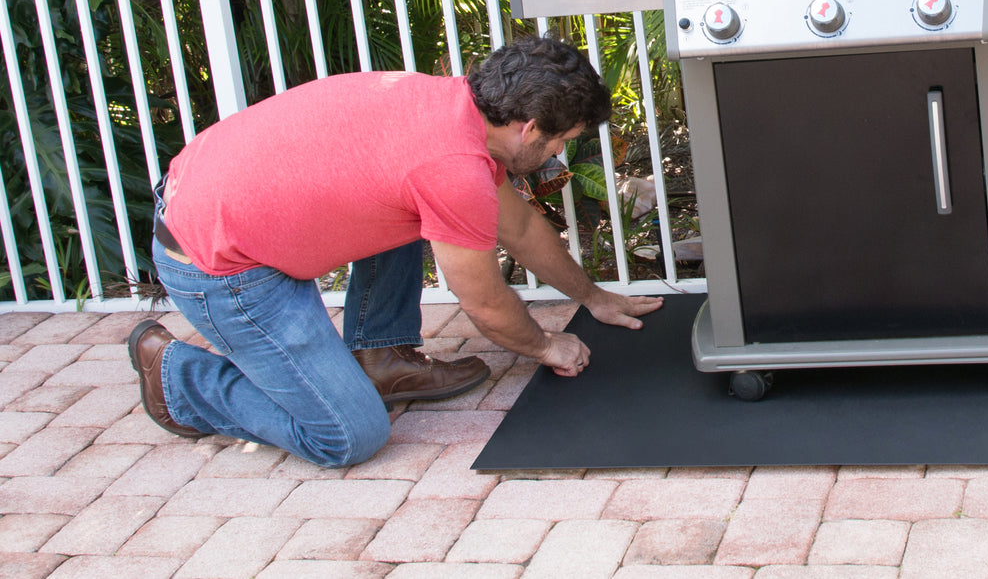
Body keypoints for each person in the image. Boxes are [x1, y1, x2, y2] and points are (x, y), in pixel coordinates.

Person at [127, 35, 663, 467]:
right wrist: (546, 346)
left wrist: (592, 298)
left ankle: (378, 354)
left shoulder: (451, 107)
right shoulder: (453, 170)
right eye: (559, 139)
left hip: (210, 209)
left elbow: (519, 227)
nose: (559, 152)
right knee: (346, 435)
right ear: (528, 128)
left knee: (408, 202)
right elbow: (486, 306)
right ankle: (180, 379)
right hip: (223, 268)